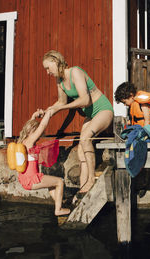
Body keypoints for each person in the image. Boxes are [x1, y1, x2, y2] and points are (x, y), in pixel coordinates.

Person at [42, 50, 114, 198]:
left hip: (103, 110)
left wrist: (61, 108)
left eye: (48, 68)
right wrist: (47, 111)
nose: (47, 72)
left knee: (85, 138)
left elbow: (85, 100)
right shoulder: (60, 81)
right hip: (91, 114)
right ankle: (83, 186)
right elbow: (61, 102)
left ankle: (91, 179)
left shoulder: (75, 72)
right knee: (81, 147)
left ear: (56, 62)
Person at [18, 109, 70, 216]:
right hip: (32, 179)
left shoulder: (23, 141)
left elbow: (31, 125)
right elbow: (42, 126)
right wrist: (49, 114)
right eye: (37, 131)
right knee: (59, 182)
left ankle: (59, 203)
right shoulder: (30, 140)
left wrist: (34, 115)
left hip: (25, 180)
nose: (40, 134)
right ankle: (58, 210)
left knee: (51, 184)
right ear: (32, 130)